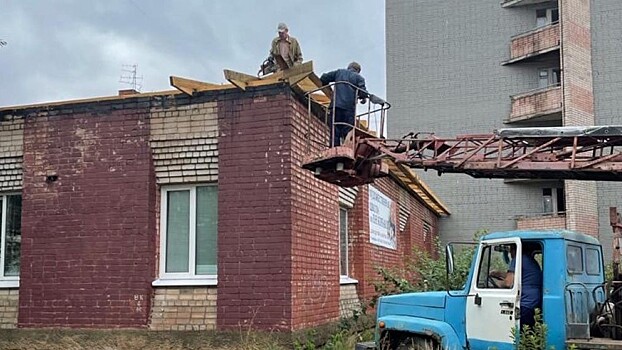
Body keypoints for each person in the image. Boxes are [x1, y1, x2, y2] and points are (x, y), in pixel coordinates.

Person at [491, 243, 543, 330]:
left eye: (510, 251)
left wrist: (497, 284)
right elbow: (515, 275)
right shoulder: (529, 261)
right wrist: (498, 273)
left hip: (525, 303)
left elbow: (508, 283)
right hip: (534, 301)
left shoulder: (518, 259)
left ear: (513, 250)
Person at [320, 62, 368, 146]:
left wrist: (326, 85)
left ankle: (334, 148)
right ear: (357, 70)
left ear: (348, 67)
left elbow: (324, 77)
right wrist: (363, 98)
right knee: (348, 131)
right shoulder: (359, 78)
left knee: (335, 129)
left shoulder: (339, 72)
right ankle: (347, 148)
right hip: (348, 109)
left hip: (336, 106)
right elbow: (363, 93)